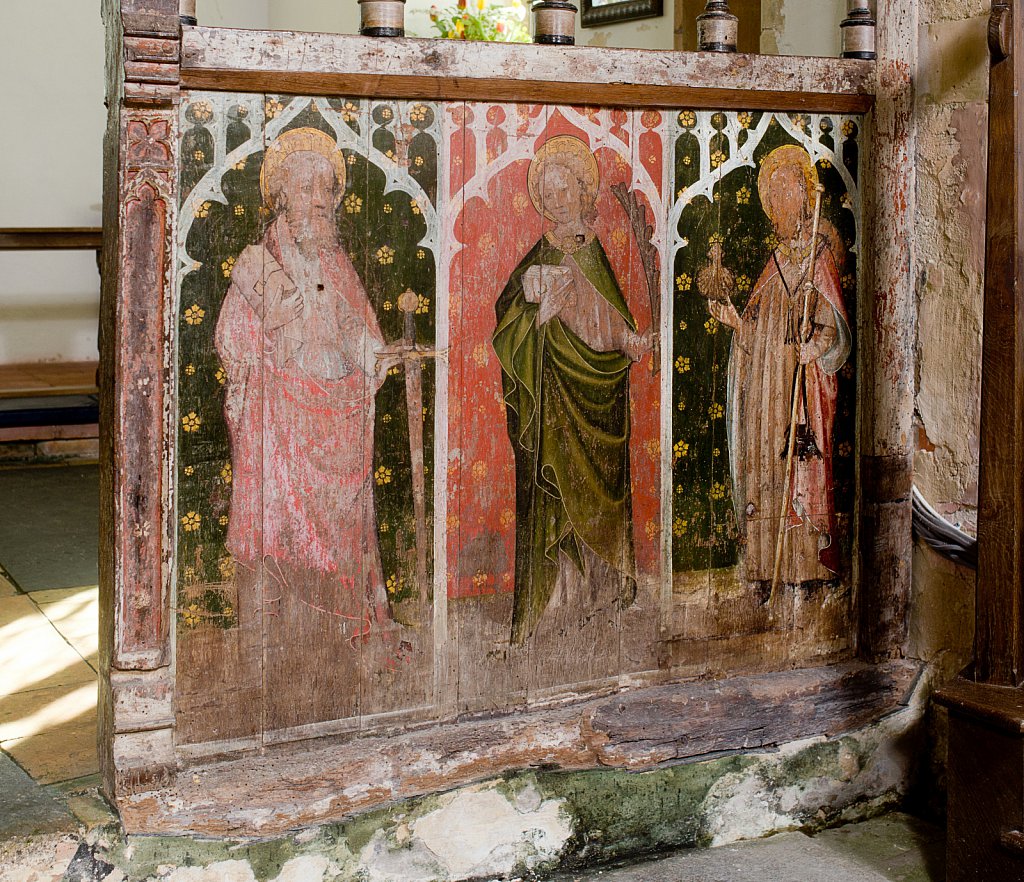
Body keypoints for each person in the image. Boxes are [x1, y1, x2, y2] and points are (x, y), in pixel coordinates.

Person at [215, 127, 399, 729]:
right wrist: (266, 341)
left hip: (337, 420)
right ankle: (276, 664)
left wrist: (374, 354)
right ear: (280, 196)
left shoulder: (336, 263)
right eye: (306, 187)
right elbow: (231, 338)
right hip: (282, 425)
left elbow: (357, 330)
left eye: (327, 188)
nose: (320, 199)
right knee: (279, 539)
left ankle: (334, 658)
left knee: (341, 542)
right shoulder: (257, 263)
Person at [493, 135, 652, 645]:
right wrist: (539, 313)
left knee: (600, 493)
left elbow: (610, 317)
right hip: (555, 395)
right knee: (556, 491)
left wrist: (629, 341)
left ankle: (603, 592)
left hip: (599, 392)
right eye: (548, 193)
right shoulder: (539, 255)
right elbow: (508, 322)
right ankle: (559, 602)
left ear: (584, 192)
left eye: (565, 190)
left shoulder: (596, 252)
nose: (558, 201)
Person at [699, 145, 851, 587]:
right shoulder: (775, 264)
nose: (782, 200)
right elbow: (757, 335)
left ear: (806, 195)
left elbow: (835, 327)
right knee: (767, 466)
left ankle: (806, 568)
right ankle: (768, 567)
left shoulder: (819, 258)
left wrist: (814, 346)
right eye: (774, 193)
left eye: (789, 189)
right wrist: (736, 324)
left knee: (800, 465)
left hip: (800, 390)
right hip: (767, 392)